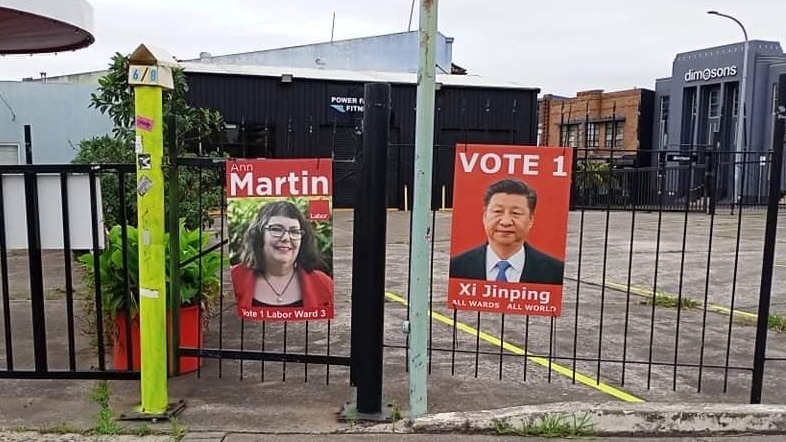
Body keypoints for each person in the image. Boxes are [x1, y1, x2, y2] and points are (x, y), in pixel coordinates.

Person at [449, 178, 564, 285]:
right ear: (485, 216)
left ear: (530, 219)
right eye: (498, 211)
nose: (506, 221)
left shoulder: (555, 271)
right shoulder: (457, 267)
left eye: (516, 213)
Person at [231, 200, 333, 310]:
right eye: (276, 229)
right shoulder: (233, 279)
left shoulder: (324, 284)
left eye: (294, 231)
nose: (285, 238)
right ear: (259, 236)